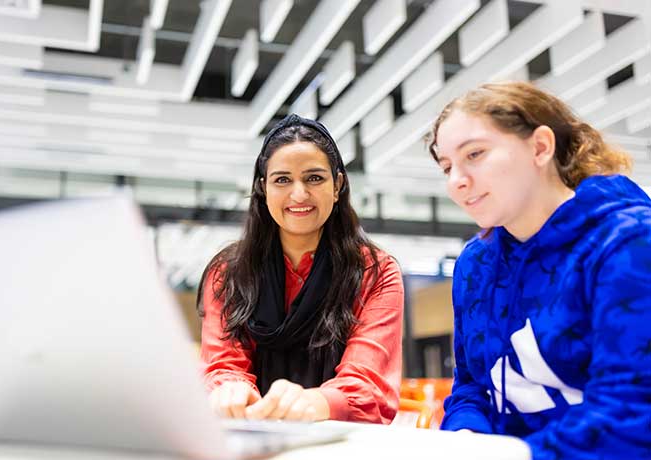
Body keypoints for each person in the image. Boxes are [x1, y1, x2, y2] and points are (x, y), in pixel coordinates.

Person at [428, 81, 651, 459]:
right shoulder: (474, 264)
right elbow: (471, 388)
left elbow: (632, 412)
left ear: (540, 146)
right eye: (447, 166)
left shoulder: (627, 241)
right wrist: (464, 437)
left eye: (475, 154)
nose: (456, 180)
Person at [197, 114, 404, 424]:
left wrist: (317, 402)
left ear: (337, 186)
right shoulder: (228, 274)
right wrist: (230, 391)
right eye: (282, 179)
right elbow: (223, 366)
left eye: (314, 178)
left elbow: (367, 382)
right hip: (251, 438)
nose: (298, 194)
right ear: (263, 188)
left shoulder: (376, 273)